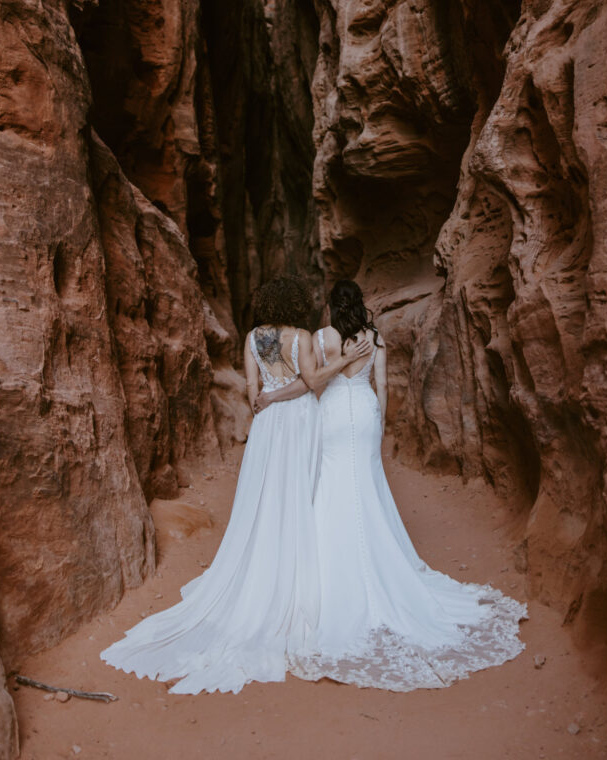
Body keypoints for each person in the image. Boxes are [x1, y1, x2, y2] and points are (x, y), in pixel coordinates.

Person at [100, 276, 370, 694]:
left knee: (265, 496)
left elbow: (253, 389)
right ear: (294, 304)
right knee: (300, 490)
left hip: (267, 429)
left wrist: (264, 402)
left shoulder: (252, 338)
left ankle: (264, 557)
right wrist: (312, 379)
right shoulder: (301, 336)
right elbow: (312, 383)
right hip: (298, 420)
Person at [263, 279, 527, 690]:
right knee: (367, 484)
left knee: (332, 484)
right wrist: (379, 423)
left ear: (332, 306)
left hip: (333, 411)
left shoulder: (321, 337)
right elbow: (381, 386)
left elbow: (315, 382)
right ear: (360, 304)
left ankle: (331, 571)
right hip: (364, 411)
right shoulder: (375, 338)